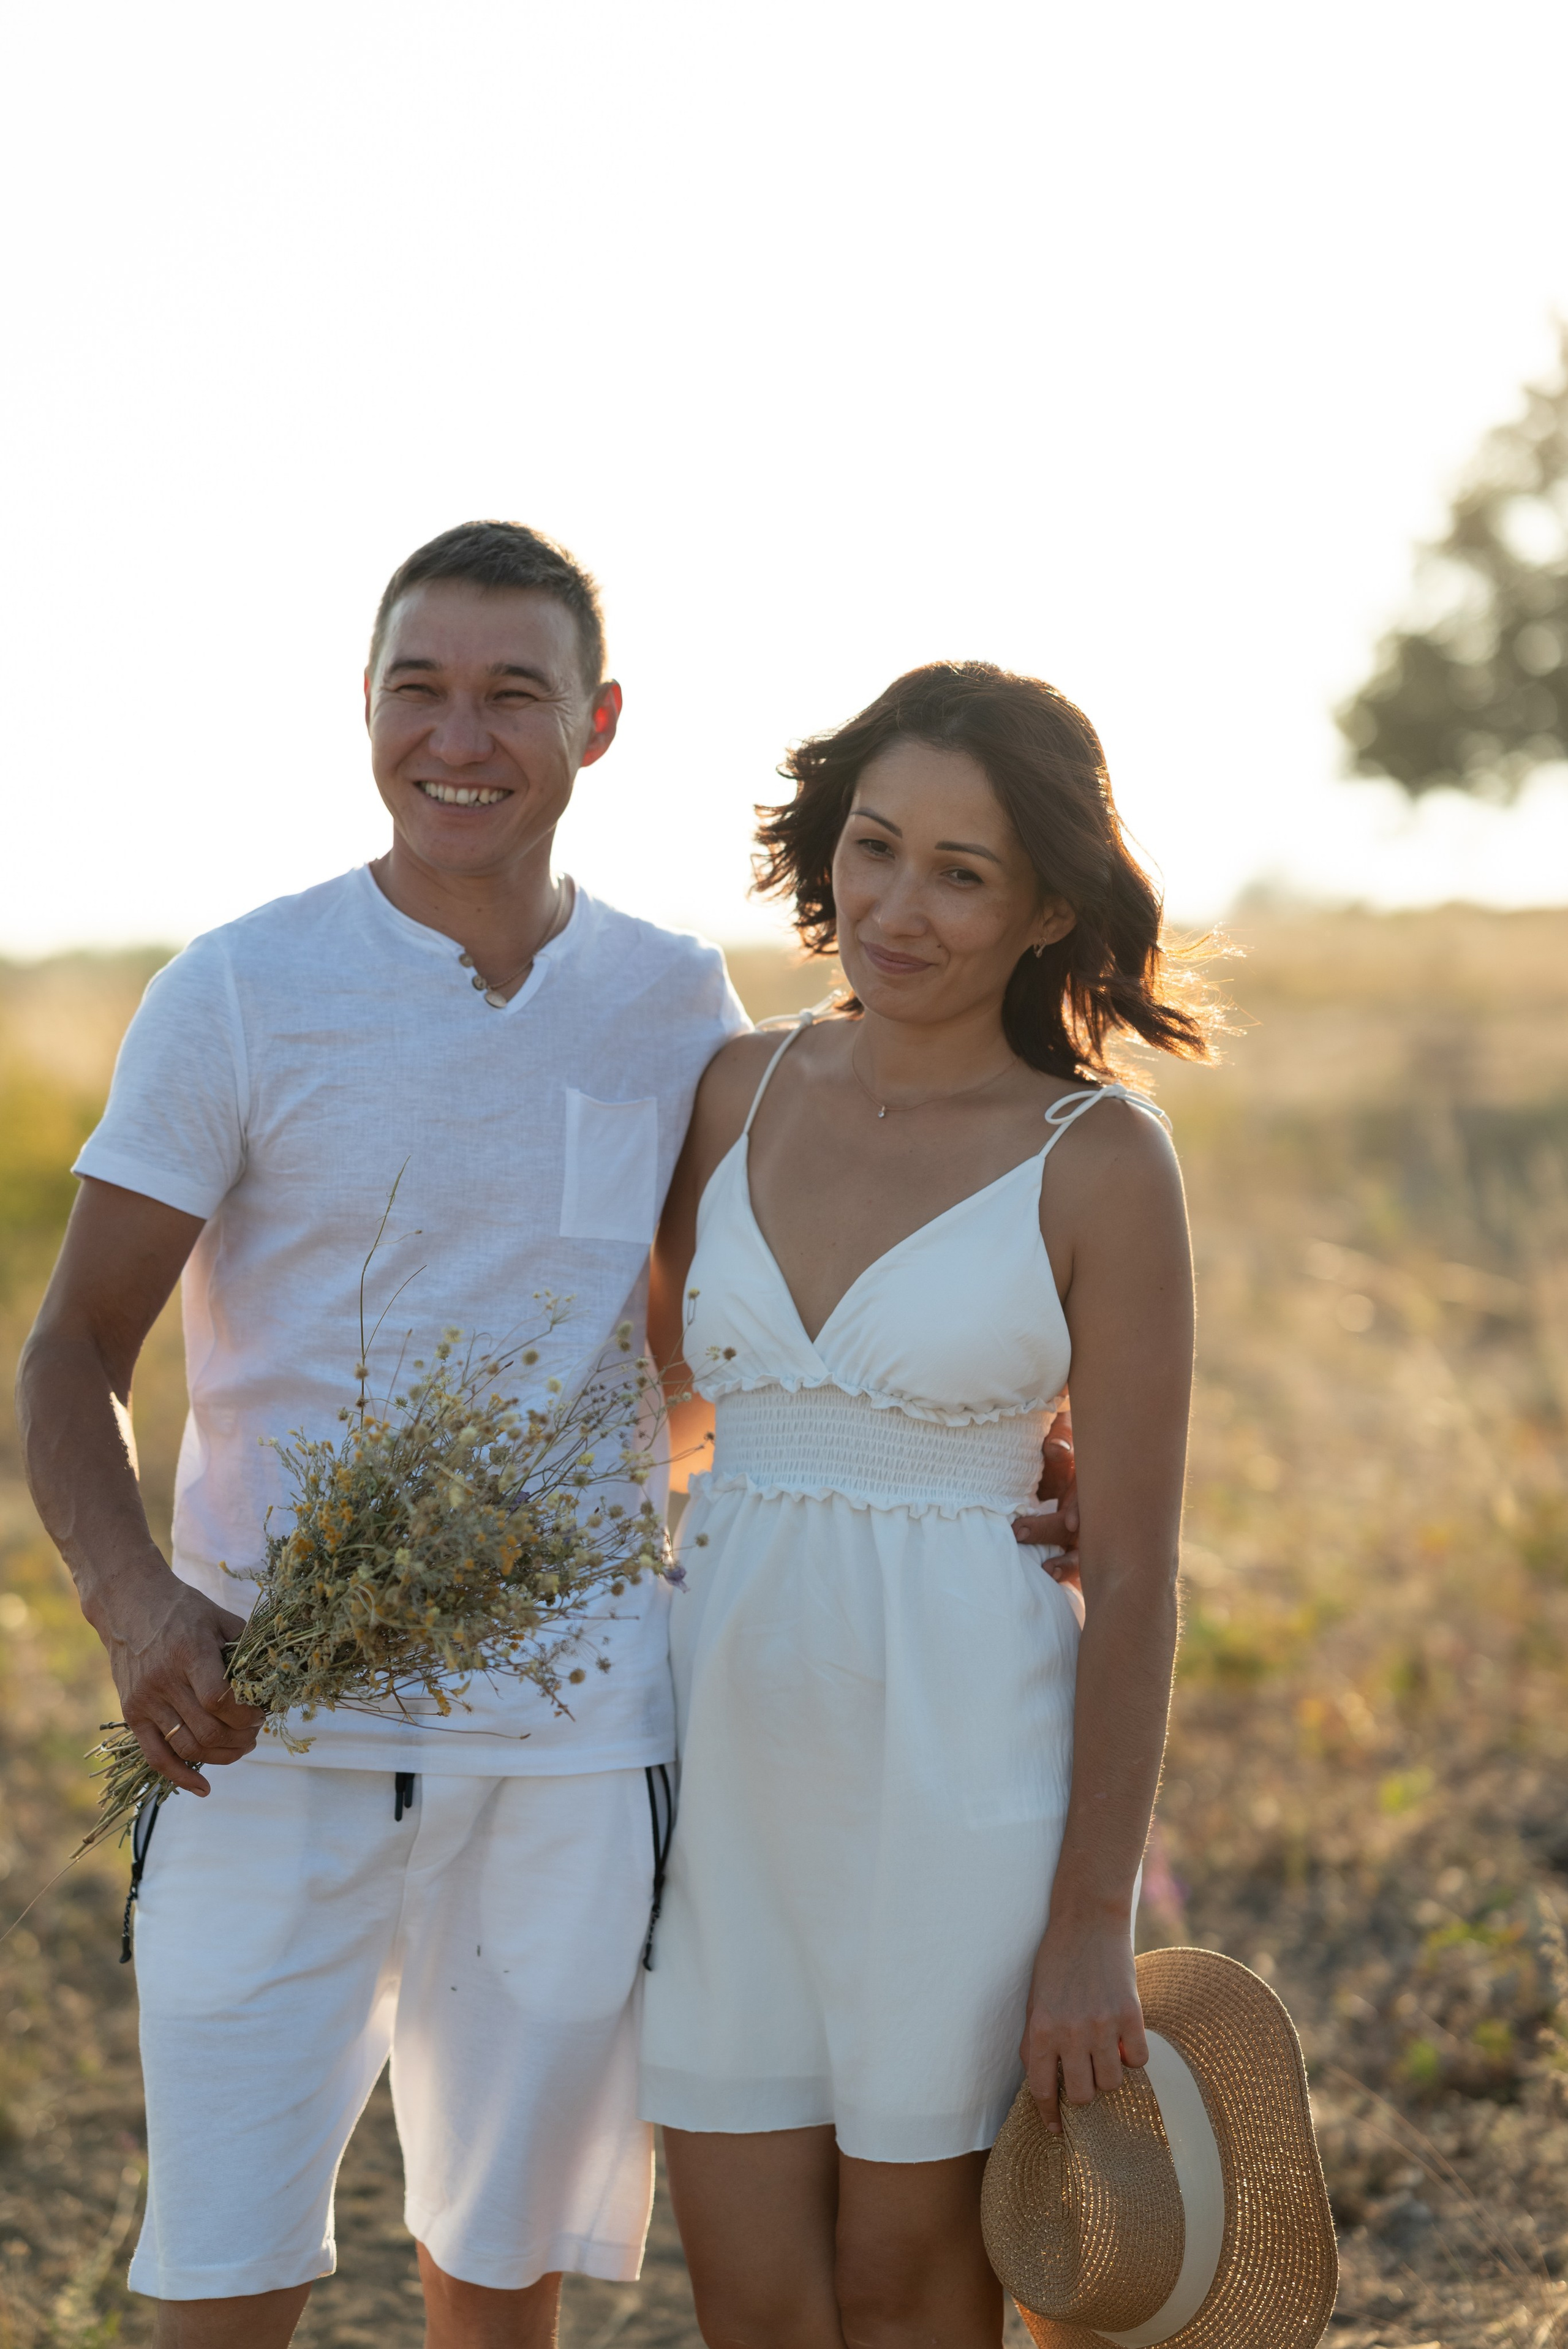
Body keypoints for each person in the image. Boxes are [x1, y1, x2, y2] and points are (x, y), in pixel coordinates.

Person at [15, 522, 752, 2349]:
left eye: (515, 692)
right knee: (225, 2269)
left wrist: (1009, 1461)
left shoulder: (673, 1002)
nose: (463, 734)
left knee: (501, 2282)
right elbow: (69, 1352)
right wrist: (140, 1609)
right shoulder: (245, 988)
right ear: (365, 706)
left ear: (600, 722)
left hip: (572, 1744)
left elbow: (729, 1343)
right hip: (259, 1722)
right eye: (420, 686)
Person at [639, 662, 1204, 2349]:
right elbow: (669, 1405)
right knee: (751, 2300)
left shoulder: (1101, 1158)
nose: (898, 905)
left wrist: (1093, 1926)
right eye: (875, 847)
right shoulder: (733, 1090)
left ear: (1047, 906)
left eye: (964, 872)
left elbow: (1145, 1575)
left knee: (909, 2297)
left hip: (966, 1783)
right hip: (728, 1764)